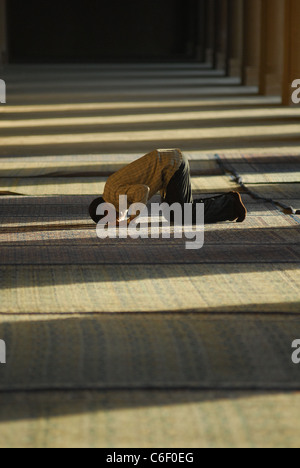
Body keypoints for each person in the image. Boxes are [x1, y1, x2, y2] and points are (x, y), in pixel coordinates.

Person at [89, 149, 247, 225]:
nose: (118, 220)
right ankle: (228, 205)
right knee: (173, 214)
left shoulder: (116, 196)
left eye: (112, 220)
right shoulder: (110, 191)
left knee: (181, 215)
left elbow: (142, 190)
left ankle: (230, 204)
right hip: (167, 166)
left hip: (172, 165)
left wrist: (132, 218)